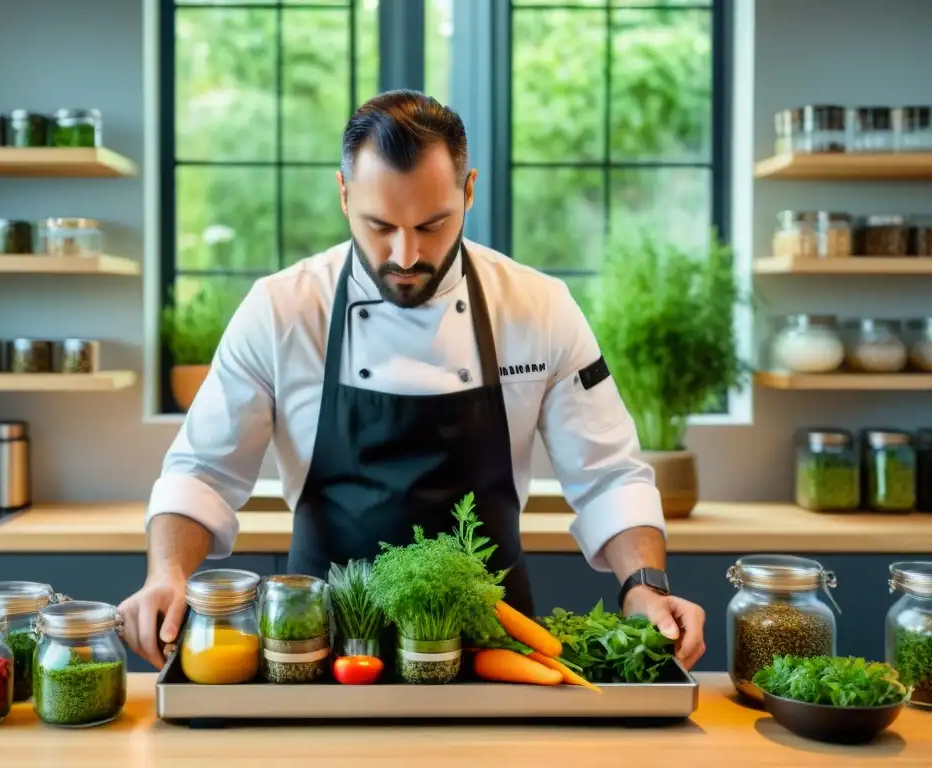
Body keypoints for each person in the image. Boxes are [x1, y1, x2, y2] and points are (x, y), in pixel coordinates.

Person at [119, 89, 706, 671]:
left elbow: (608, 477)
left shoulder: (539, 307)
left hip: (495, 649)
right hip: (316, 652)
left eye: (432, 224)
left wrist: (645, 586)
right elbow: (203, 473)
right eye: (380, 225)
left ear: (469, 191)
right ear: (343, 194)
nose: (405, 255)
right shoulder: (281, 310)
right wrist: (166, 574)